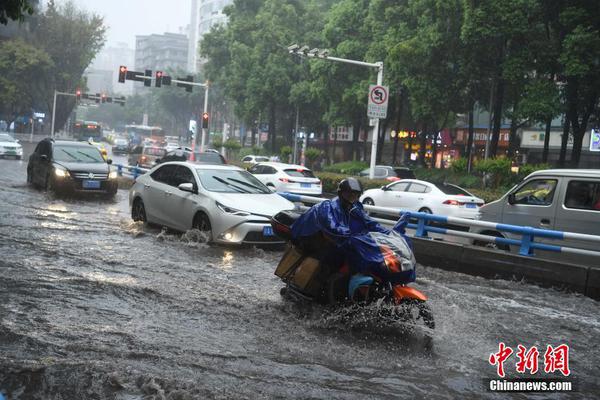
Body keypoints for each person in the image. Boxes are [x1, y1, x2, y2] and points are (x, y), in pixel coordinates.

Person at [291, 177, 414, 287]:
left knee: (368, 260)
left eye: (355, 195)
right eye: (348, 194)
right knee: (333, 258)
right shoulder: (328, 207)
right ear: (340, 194)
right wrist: (347, 233)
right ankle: (322, 290)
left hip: (345, 241)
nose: (351, 198)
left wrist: (391, 234)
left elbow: (370, 223)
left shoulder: (355, 208)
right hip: (319, 240)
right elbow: (333, 225)